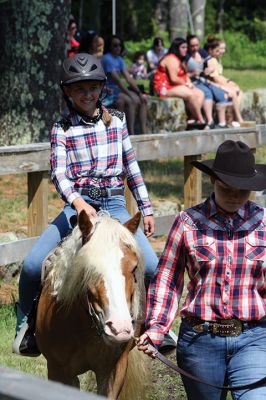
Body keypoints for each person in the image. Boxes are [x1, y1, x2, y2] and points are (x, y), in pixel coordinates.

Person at [12, 53, 176, 357]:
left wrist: (146, 207)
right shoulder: (62, 128)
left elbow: (131, 166)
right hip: (79, 205)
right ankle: (26, 327)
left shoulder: (117, 121)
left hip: (114, 203)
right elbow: (59, 174)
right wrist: (77, 203)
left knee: (151, 265)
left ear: (101, 88)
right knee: (34, 264)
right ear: (68, 92)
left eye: (92, 88)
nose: (87, 95)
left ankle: (157, 326)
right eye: (79, 89)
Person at [138, 139, 266, 400]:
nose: (234, 196)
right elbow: (167, 279)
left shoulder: (263, 222)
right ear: (212, 181)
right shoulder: (188, 223)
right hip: (200, 341)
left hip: (254, 338)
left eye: (242, 191)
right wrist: (156, 327)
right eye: (226, 188)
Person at [153, 37, 206, 128]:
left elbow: (184, 75)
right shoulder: (171, 58)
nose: (186, 49)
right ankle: (201, 120)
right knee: (191, 95)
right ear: (176, 48)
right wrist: (186, 84)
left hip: (175, 85)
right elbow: (173, 78)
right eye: (183, 47)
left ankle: (193, 118)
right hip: (164, 87)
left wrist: (189, 83)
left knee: (200, 93)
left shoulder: (180, 59)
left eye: (186, 47)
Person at [102, 35, 147, 135]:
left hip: (118, 90)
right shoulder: (107, 59)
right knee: (131, 101)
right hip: (109, 91)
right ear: (109, 46)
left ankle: (144, 133)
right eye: (115, 45)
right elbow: (118, 81)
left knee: (143, 100)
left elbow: (128, 78)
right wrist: (131, 95)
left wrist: (139, 93)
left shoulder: (119, 59)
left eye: (120, 45)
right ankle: (130, 134)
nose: (118, 48)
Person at [186, 34, 230, 129]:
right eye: (192, 46)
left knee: (222, 94)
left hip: (203, 80)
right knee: (207, 92)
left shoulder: (201, 52)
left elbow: (211, 64)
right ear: (188, 45)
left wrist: (209, 69)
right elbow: (182, 74)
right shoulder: (186, 56)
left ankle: (222, 123)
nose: (195, 48)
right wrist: (193, 74)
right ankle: (210, 121)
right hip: (193, 82)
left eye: (197, 45)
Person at [204, 36, 244, 125]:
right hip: (214, 84)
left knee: (239, 92)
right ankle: (238, 118)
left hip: (218, 83)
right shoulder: (211, 61)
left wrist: (230, 83)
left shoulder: (217, 60)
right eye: (218, 50)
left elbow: (220, 76)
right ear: (211, 50)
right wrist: (229, 86)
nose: (221, 52)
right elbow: (215, 78)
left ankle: (232, 117)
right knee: (233, 93)